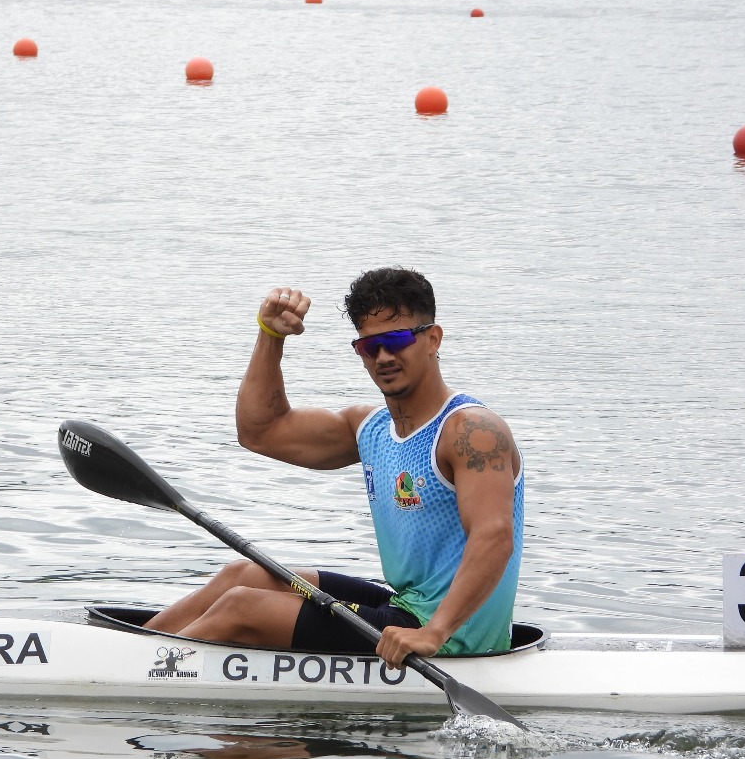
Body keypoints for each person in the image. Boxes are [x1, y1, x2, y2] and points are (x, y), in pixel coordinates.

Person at [143, 267, 523, 669]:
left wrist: (434, 632)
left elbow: (494, 536)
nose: (384, 357)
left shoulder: (472, 431)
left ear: (433, 339)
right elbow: (259, 432)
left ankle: (144, 667)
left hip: (451, 637)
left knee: (241, 607)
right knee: (242, 577)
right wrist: (271, 336)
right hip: (405, 609)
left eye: (397, 340)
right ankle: (127, 648)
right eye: (369, 346)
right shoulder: (371, 429)